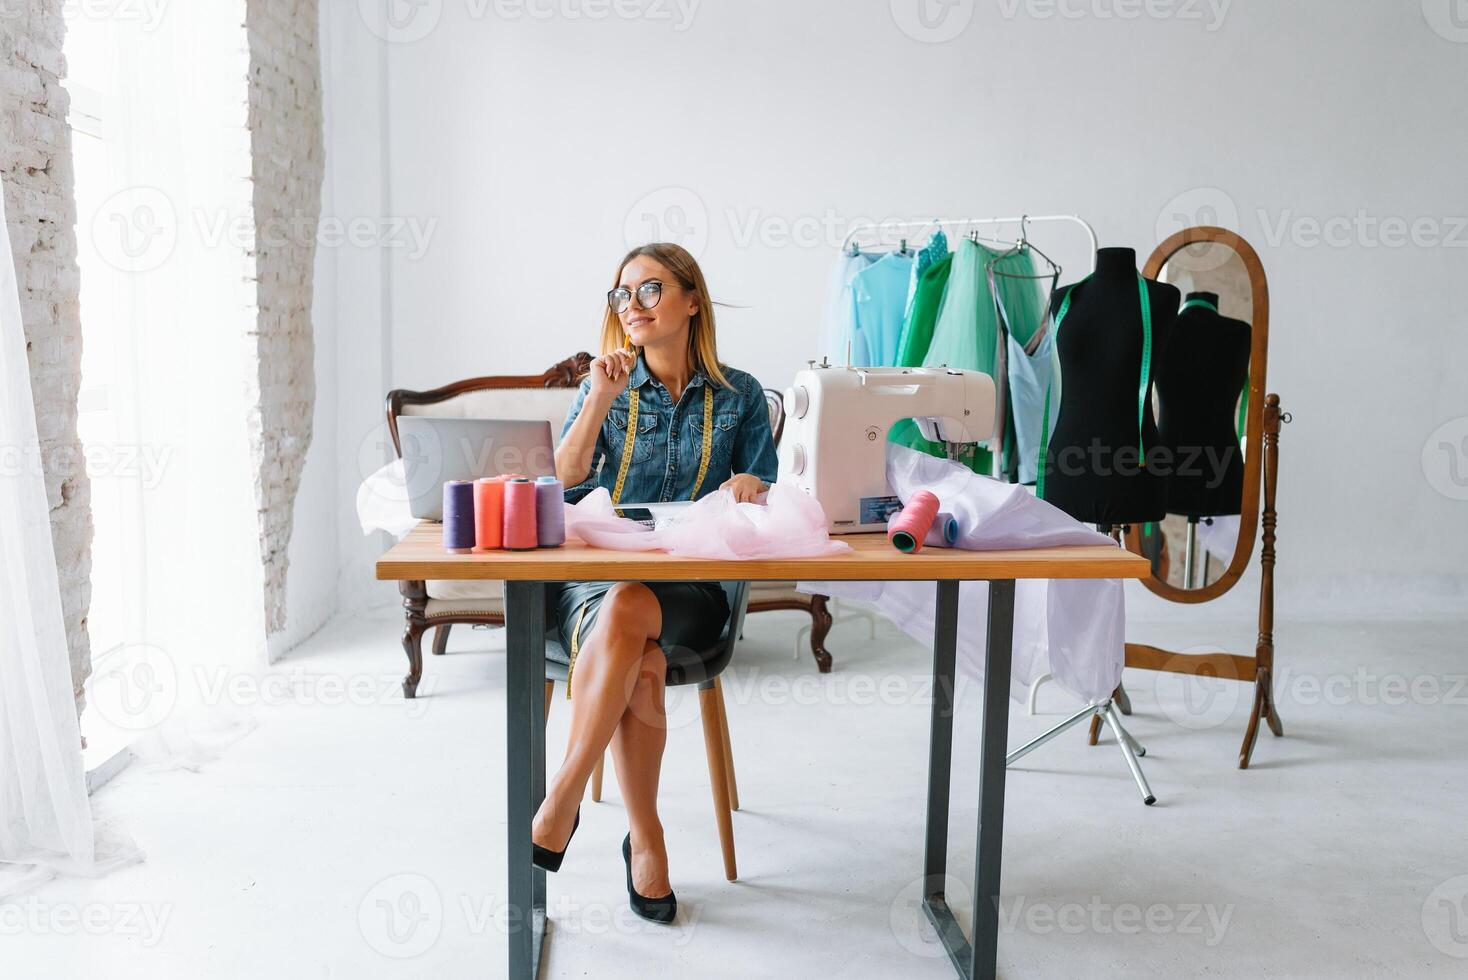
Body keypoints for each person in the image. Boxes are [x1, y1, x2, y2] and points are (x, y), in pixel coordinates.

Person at [531, 242, 778, 922]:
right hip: (600, 585)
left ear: (691, 300)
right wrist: (598, 398)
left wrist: (753, 486)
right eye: (622, 294)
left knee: (641, 613)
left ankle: (565, 796)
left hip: (694, 592)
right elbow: (564, 480)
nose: (631, 306)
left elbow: (769, 498)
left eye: (649, 290)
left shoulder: (742, 395)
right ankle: (648, 840)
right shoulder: (604, 387)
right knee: (637, 642)